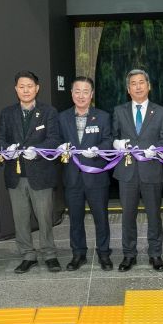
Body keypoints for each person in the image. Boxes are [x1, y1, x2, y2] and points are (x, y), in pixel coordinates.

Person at [0, 71, 62, 274]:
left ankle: (49, 253)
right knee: (20, 219)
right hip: (15, 175)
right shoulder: (7, 113)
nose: (26, 90)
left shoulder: (48, 112)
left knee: (44, 218)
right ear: (16, 89)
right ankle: (27, 255)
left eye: (30, 86)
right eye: (22, 87)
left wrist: (38, 150)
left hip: (41, 174)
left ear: (37, 88)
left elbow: (54, 139)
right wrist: (6, 148)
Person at [112, 69, 163, 272]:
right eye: (133, 84)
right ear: (128, 89)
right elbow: (111, 137)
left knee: (154, 215)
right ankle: (129, 254)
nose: (138, 87)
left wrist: (156, 149)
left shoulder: (161, 112)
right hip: (126, 171)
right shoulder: (119, 111)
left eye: (141, 82)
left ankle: (155, 254)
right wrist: (116, 143)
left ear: (149, 86)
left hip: (151, 170)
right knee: (127, 215)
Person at [58, 76, 113, 271]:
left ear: (92, 94)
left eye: (85, 91)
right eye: (77, 91)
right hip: (72, 177)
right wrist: (60, 147)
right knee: (75, 219)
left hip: (96, 176)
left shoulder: (103, 116)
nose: (81, 96)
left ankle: (104, 253)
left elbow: (109, 140)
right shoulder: (62, 117)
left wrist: (98, 150)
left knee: (101, 218)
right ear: (71, 93)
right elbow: (56, 140)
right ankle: (78, 254)